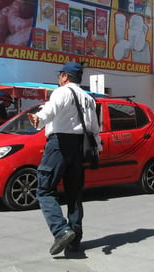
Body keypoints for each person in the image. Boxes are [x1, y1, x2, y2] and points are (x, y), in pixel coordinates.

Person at [27, 62, 102, 255]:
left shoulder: (62, 92)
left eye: (60, 75)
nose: (58, 78)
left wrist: (39, 118)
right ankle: (74, 242)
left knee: (44, 190)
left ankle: (61, 231)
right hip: (79, 147)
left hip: (59, 144)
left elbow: (51, 110)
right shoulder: (89, 98)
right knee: (74, 194)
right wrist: (97, 149)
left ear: (65, 77)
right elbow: (94, 128)